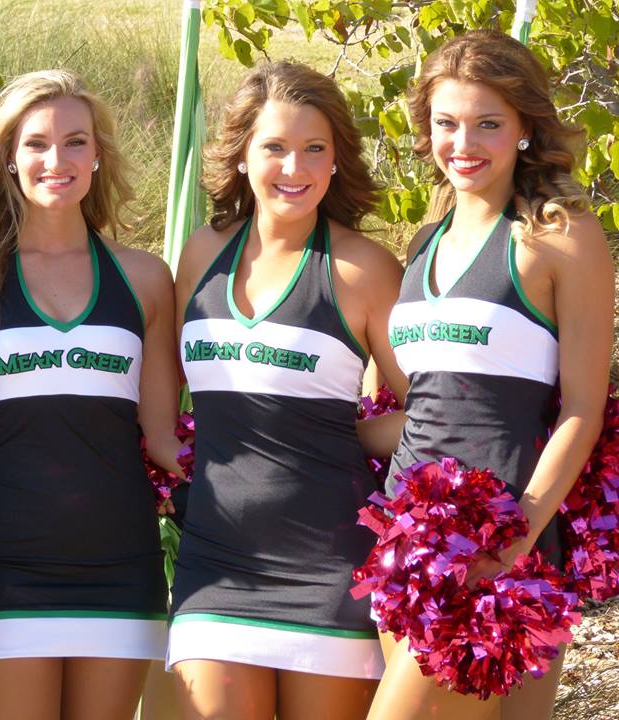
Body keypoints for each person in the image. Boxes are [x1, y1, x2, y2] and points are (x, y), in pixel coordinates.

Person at [367, 30, 613, 720]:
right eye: (446, 123)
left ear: (526, 129)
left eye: (487, 124)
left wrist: (516, 536)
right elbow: (429, 407)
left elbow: (583, 410)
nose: (463, 144)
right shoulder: (424, 241)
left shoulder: (560, 236)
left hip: (499, 542)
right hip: (405, 542)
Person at [0, 68, 181, 720]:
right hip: (2, 566)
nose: (56, 159)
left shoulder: (146, 279)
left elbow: (163, 439)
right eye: (36, 143)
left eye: (74, 141)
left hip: (121, 564)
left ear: (98, 155)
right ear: (9, 157)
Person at [168, 61, 407, 720]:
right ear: (243, 155)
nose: (293, 167)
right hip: (213, 566)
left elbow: (430, 412)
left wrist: (347, 435)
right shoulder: (202, 253)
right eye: (274, 146)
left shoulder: (364, 269)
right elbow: (163, 382)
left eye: (314, 149)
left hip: (329, 569)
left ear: (336, 162)